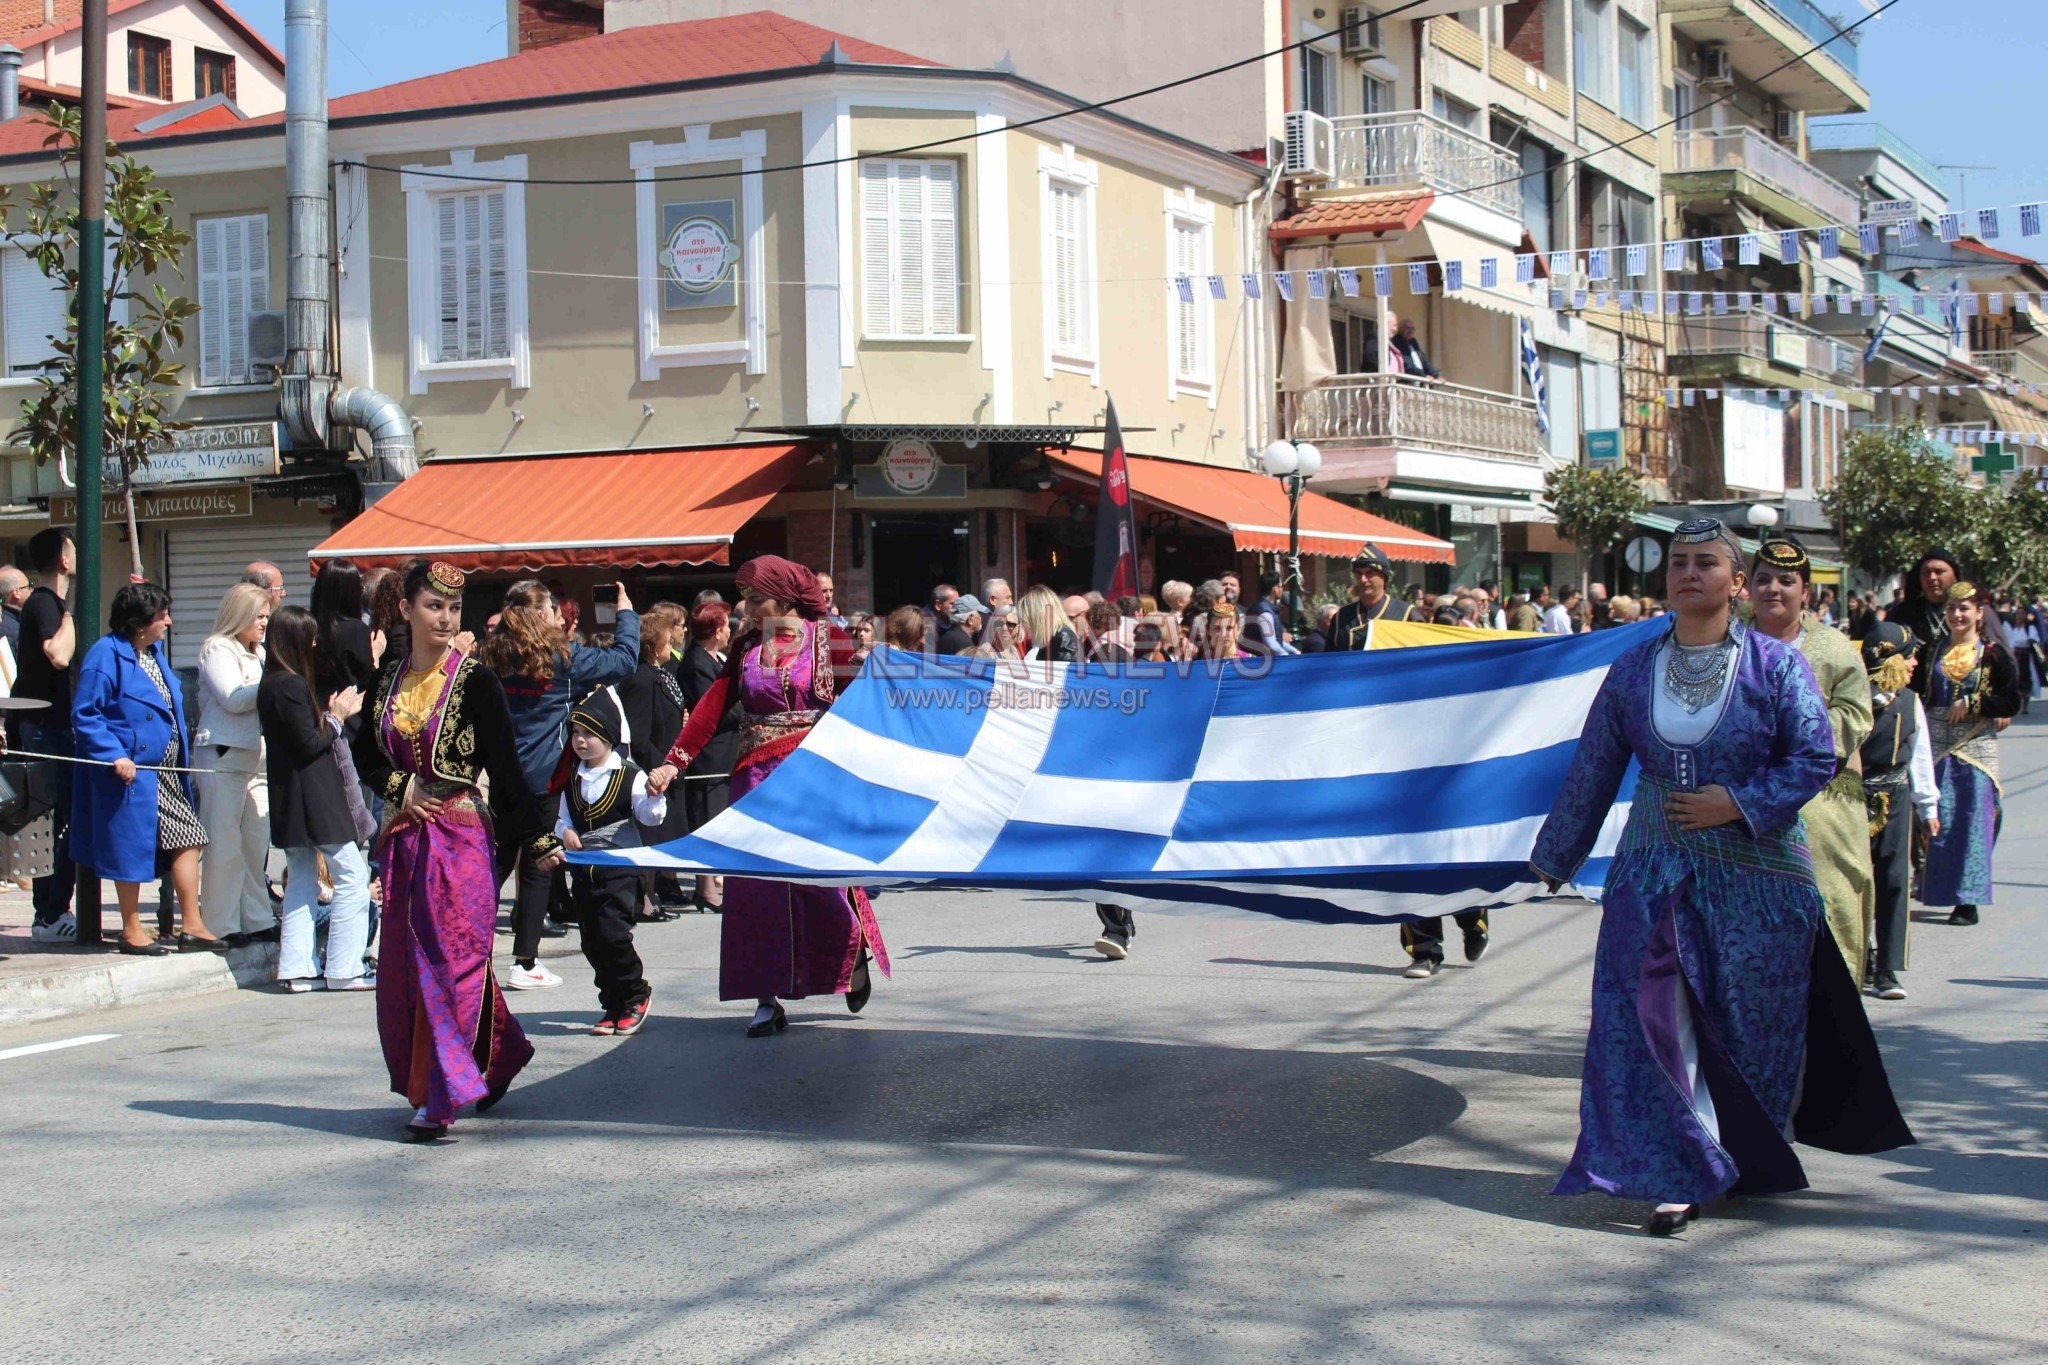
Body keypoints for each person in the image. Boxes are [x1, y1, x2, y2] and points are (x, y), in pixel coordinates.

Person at [1530, 518, 1912, 1236]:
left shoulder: (1777, 666)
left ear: (1737, 582)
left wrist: (1736, 802)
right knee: (1651, 1016)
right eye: (1678, 561)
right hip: (1652, 871)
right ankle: (1678, 1168)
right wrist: (1556, 855)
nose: (1688, 572)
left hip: (1757, 880)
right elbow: (1594, 765)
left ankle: (1735, 1154)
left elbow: (1811, 757)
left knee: (1745, 1034)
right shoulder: (1634, 669)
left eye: (1707, 562)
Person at [352, 562, 564, 1142]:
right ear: (406, 610)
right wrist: (400, 788)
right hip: (405, 842)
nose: (445, 619)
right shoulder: (387, 678)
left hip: (462, 840)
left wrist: (539, 838)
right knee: (408, 967)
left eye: (453, 609)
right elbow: (366, 753)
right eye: (433, 607)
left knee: (454, 962)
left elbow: (508, 768)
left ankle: (440, 1099)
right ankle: (496, 1058)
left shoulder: (475, 681)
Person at [649, 556, 888, 1035]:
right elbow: (712, 706)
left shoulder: (829, 642)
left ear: (786, 599)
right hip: (754, 783)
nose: (746, 605)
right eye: (747, 597)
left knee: (816, 883)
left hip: (812, 782)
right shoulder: (746, 648)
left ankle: (849, 952)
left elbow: (868, 701)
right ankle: (765, 998)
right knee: (755, 890)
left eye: (756, 597)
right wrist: (675, 760)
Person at [481, 579, 639, 988]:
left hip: (499, 777)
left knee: (494, 866)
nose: (558, 618)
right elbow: (624, 660)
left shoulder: (491, 654)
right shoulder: (563, 658)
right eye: (553, 611)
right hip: (543, 778)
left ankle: (468, 952)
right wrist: (624, 613)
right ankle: (525, 961)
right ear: (543, 615)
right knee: (538, 866)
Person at [1747, 538, 1876, 985]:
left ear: (1806, 591)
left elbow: (1856, 715)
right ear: (1747, 587)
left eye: (1786, 580)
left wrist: (1799, 735)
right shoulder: (1727, 640)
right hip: (1742, 796)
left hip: (1820, 798)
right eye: (1763, 579)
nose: (1773, 589)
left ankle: (1834, 1014)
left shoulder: (1835, 647)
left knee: (1829, 901)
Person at [71, 582, 221, 956]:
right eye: (161, 615)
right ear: (140, 622)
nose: (169, 621)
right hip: (131, 773)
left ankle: (191, 924)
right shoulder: (105, 655)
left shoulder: (152, 652)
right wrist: (113, 754)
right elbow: (86, 713)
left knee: (190, 835)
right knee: (130, 847)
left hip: (167, 772)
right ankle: (131, 928)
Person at [257, 606, 374, 993]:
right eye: (307, 636)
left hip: (290, 796)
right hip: (314, 797)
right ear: (292, 640)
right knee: (352, 876)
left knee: (302, 880)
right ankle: (344, 966)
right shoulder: (288, 685)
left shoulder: (271, 682)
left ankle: (297, 968)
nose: (313, 643)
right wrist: (337, 718)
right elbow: (309, 744)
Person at [555, 688, 664, 1038]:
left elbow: (649, 818)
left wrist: (654, 797)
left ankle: (635, 994)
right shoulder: (571, 777)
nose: (581, 741)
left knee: (613, 934)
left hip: (619, 870)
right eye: (576, 733)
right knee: (590, 939)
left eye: (589, 734)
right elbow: (560, 818)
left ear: (608, 738)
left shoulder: (629, 775)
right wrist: (566, 830)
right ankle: (612, 1004)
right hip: (584, 870)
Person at [1912, 581, 2022, 927]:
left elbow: (2011, 700)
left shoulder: (1992, 654)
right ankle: (1939, 889)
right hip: (1937, 744)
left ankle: (1968, 900)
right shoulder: (1932, 651)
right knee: (1938, 818)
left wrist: (1975, 703)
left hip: (1976, 745)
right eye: (1951, 609)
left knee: (1974, 818)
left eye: (1964, 609)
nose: (1957, 615)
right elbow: (1915, 691)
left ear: (1978, 613)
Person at [193, 582, 277, 943]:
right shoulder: (217, 648)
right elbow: (232, 698)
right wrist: (277, 683)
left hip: (257, 757)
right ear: (240, 614)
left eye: (267, 617)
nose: (263, 624)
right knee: (223, 843)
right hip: (223, 754)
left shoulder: (259, 655)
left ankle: (256, 919)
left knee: (255, 844)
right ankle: (220, 923)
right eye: (258, 616)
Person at [1859, 623, 1937, 1002]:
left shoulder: (1911, 701)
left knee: (1893, 879)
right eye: (1909, 656)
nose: (1915, 663)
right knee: (1859, 880)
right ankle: (1862, 958)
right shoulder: (1855, 698)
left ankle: (1888, 968)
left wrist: (1928, 805)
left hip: (1897, 796)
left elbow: (1920, 757)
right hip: (1854, 797)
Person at [16, 527, 79, 940]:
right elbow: (58, 655)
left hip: (53, 729)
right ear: (62, 559)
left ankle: (55, 910)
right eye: (72, 549)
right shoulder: (44, 604)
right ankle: (49, 915)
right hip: (45, 731)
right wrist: (71, 614)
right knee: (53, 825)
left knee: (61, 822)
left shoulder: (46, 603)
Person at [615, 603, 690, 920]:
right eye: (666, 640)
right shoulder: (642, 680)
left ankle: (651, 895)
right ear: (652, 645)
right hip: (653, 769)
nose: (671, 645)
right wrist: (661, 767)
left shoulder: (661, 675)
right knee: (649, 838)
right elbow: (639, 735)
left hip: (668, 767)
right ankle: (644, 899)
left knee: (661, 837)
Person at [680, 601, 739, 913]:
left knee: (719, 819)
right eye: (727, 625)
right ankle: (704, 888)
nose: (730, 630)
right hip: (709, 757)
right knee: (706, 820)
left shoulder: (718, 658)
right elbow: (714, 707)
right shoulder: (696, 663)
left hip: (727, 753)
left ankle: (713, 882)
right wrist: (747, 707)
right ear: (717, 630)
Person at [1329, 545, 1421, 649]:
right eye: (1359, 573)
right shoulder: (1341, 617)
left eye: (1369, 573)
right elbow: (1328, 660)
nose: (1363, 579)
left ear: (1383, 576)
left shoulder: (1407, 614)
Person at [1016, 585, 1078, 663]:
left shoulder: (1063, 636)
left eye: (1025, 619)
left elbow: (1063, 672)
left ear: (1037, 617)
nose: (1023, 625)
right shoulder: (1039, 640)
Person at [1386, 314, 1440, 378]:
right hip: (1408, 380)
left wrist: (1436, 375)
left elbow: (1424, 360)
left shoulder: (1413, 342)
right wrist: (1423, 376)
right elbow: (1407, 364)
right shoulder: (1397, 341)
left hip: (1419, 380)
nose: (1410, 331)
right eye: (1407, 328)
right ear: (1400, 329)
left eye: (1412, 328)